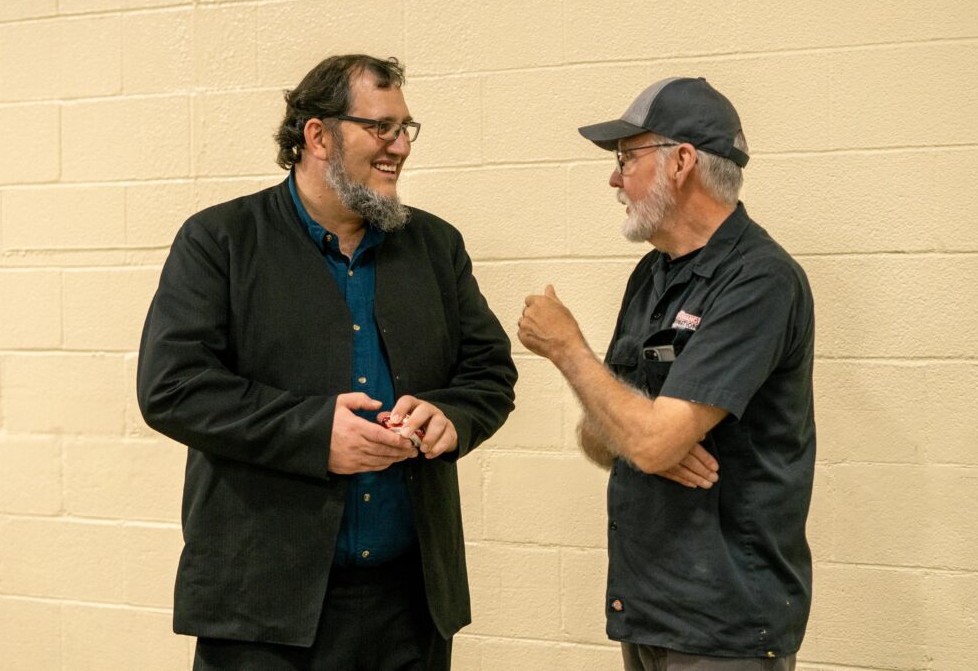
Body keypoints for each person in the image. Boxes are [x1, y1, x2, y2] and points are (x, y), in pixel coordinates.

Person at [137, 54, 516, 671]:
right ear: (317, 135)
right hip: (262, 616)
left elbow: (489, 373)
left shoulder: (436, 246)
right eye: (381, 128)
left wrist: (454, 416)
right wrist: (316, 434)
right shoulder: (220, 240)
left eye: (405, 129)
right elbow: (173, 388)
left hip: (410, 608)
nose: (399, 147)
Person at [517, 77, 815, 670]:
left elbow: (647, 437)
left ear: (681, 162)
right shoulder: (652, 276)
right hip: (649, 609)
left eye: (628, 157)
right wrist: (646, 436)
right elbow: (607, 439)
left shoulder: (759, 280)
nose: (613, 178)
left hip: (724, 626)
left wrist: (568, 349)